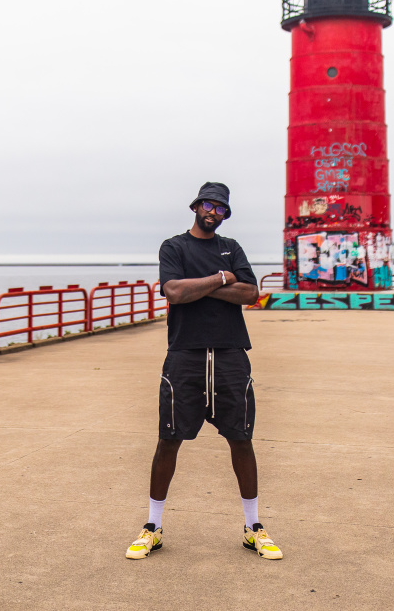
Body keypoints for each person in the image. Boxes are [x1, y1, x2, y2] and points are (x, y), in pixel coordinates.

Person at [126, 182, 283, 561]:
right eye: (209, 205)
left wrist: (204, 286)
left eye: (222, 209)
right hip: (185, 355)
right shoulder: (174, 247)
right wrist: (221, 279)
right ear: (196, 206)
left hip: (231, 354)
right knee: (169, 439)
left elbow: (251, 294)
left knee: (241, 438)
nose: (215, 213)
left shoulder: (232, 247)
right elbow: (174, 292)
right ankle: (152, 526)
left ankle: (254, 527)